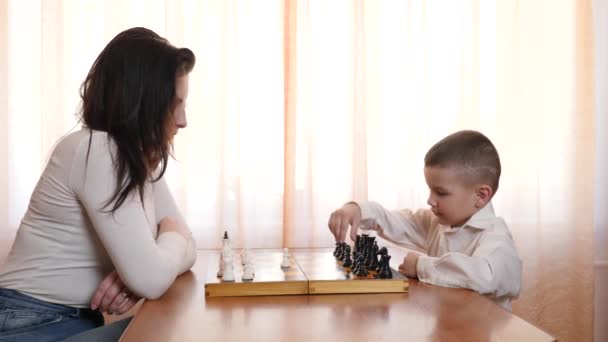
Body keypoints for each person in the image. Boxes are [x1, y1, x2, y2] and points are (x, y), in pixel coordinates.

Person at [0, 27, 197, 341]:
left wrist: (144, 270)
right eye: (175, 104)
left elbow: (188, 248)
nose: (183, 119)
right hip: (28, 322)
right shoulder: (99, 151)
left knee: (177, 330)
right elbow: (160, 265)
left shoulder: (138, 160)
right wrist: (153, 261)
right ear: (142, 101)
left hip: (60, 321)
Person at [328, 130, 522, 310]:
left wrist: (422, 266)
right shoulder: (437, 222)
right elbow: (394, 220)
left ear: (481, 195)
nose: (430, 200)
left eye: (440, 192)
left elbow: (485, 276)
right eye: (430, 189)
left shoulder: (496, 237)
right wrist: (358, 209)